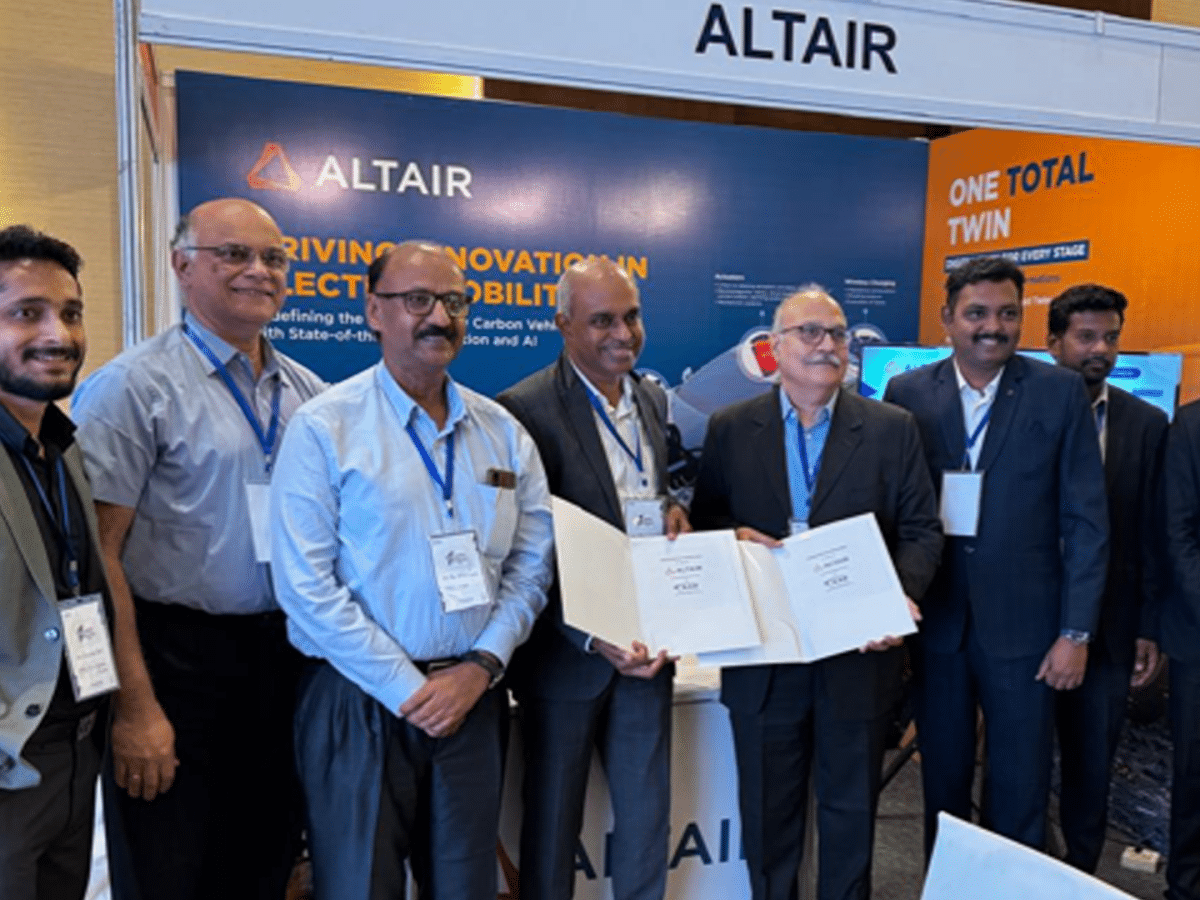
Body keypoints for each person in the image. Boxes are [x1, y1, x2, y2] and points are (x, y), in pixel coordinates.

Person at [270, 239, 553, 900]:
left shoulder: (503, 431)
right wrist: (407, 689)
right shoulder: (325, 427)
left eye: (454, 301)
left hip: (473, 697)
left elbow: (531, 565)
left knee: (465, 886)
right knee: (359, 885)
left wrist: (480, 667)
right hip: (359, 697)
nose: (440, 317)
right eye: (418, 300)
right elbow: (305, 587)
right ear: (374, 311)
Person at [71, 198, 326, 900]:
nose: (259, 270)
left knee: (262, 865)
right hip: (172, 663)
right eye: (234, 254)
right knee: (168, 872)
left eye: (273, 257)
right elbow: (99, 557)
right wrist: (134, 707)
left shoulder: (311, 396)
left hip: (284, 661)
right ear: (182, 266)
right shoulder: (132, 388)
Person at [690, 287, 942, 900]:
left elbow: (921, 530)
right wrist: (733, 538)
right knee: (768, 820)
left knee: (849, 819)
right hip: (765, 657)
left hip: (858, 657)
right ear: (775, 348)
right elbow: (706, 523)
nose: (826, 345)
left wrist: (898, 600)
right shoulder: (730, 428)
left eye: (837, 333)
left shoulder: (891, 429)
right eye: (809, 332)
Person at [883, 256, 1108, 856]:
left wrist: (1076, 633)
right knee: (942, 785)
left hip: (1028, 633)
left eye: (1008, 314)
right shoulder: (907, 393)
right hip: (938, 627)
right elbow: (892, 512)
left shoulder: (1059, 392)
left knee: (1020, 790)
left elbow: (1087, 522)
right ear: (947, 318)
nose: (993, 327)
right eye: (977, 313)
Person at [496, 258, 688, 900]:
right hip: (566, 659)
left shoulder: (651, 398)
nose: (623, 334)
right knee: (553, 823)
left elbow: (642, 495)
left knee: (646, 817)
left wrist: (669, 510)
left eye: (631, 317)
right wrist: (586, 633)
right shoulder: (524, 409)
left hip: (647, 646)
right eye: (602, 320)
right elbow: (521, 549)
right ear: (563, 325)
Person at [0, 225, 115, 900]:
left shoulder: (62, 446)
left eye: (71, 314)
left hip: (74, 751)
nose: (58, 334)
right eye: (27, 313)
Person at [1045, 283, 1167, 872]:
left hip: (1111, 629)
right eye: (1086, 337)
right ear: (1053, 343)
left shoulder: (1146, 424)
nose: (1101, 350)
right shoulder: (1020, 414)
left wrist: (1149, 627)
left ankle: (1079, 874)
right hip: (1025, 622)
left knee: (1091, 766)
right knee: (1016, 765)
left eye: (1111, 338)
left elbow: (1154, 533)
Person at [1163, 395, 1200, 900]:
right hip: (1198, 633)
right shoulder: (1191, 426)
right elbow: (1178, 534)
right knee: (1195, 776)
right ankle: (1186, 888)